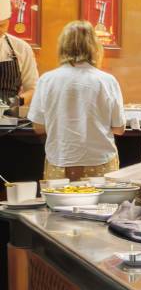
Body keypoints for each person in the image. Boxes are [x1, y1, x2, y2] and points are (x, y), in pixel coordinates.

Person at [28, 20, 125, 181]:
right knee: (103, 199)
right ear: (95, 47)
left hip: (59, 161)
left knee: (58, 199)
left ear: (62, 47)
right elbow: (119, 128)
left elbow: (38, 127)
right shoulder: (107, 81)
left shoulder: (47, 80)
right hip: (100, 162)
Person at [0, 0, 40, 113]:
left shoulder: (21, 48)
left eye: (1, 25)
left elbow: (33, 88)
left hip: (8, 117)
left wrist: (12, 104)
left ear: (9, 20)